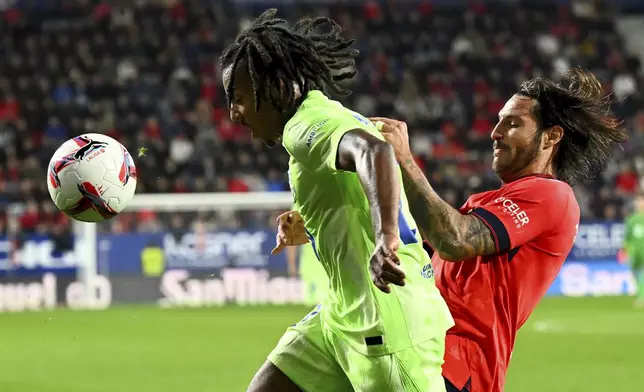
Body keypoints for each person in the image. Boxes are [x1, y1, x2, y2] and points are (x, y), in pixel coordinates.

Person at [221, 9, 453, 392]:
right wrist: (312, 222)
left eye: (240, 98)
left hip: (386, 320)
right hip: (339, 318)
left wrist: (385, 237)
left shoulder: (305, 125)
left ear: (278, 87)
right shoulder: (319, 116)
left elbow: (375, 153)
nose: (234, 113)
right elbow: (355, 184)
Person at [369, 69, 627, 392]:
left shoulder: (552, 196)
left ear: (551, 136)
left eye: (513, 123)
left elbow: (455, 239)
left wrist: (404, 160)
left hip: (456, 366)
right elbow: (424, 249)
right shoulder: (488, 201)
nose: (495, 132)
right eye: (499, 121)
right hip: (416, 349)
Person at [622, 190, 644, 308]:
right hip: (635, 252)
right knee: (635, 273)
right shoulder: (632, 219)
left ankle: (641, 297)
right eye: (638, 201)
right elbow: (627, 237)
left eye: (641, 201)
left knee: (642, 274)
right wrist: (624, 250)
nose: (639, 203)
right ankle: (640, 294)